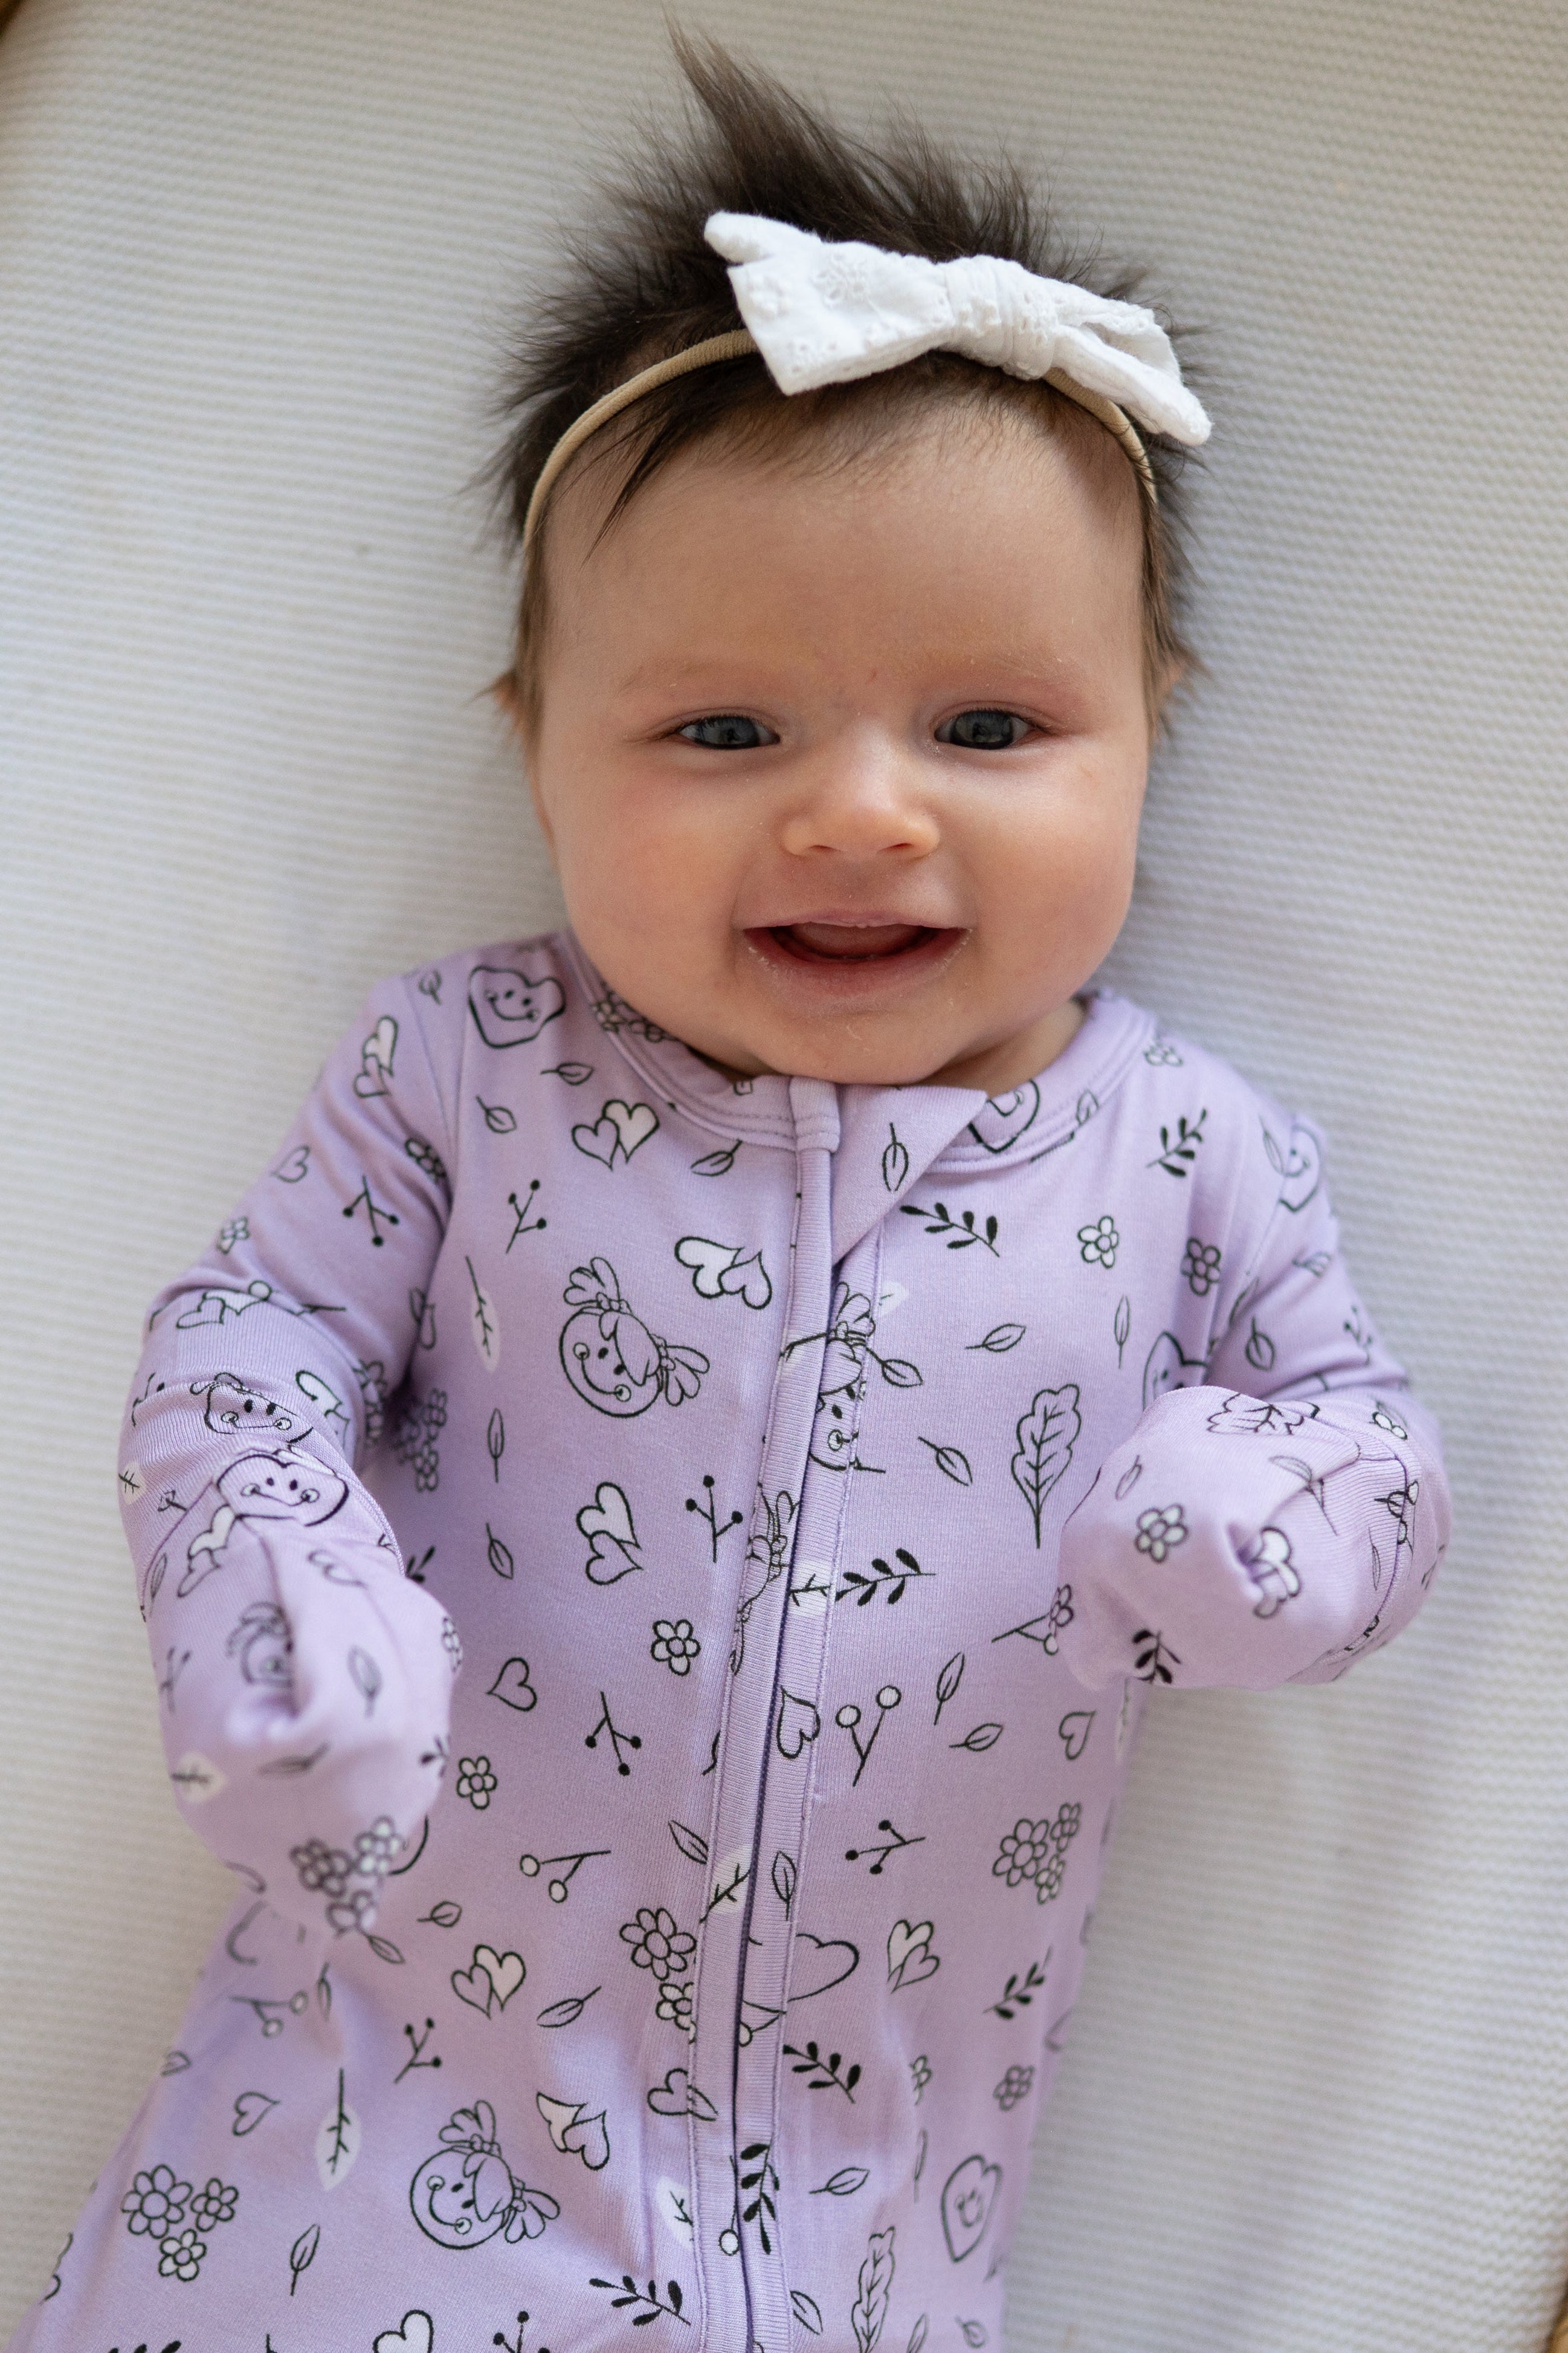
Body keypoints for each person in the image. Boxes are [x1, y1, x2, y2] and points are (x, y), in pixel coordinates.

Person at [11, 37, 1449, 2353]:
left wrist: (1269, 1529)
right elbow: (244, 1340)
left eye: (988, 729)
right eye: (720, 732)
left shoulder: (1187, 1152)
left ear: (1146, 733)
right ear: (538, 753)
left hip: (851, 2212)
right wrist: (273, 1555)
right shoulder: (466, 1072)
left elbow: (1372, 1444)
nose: (863, 817)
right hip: (366, 2120)